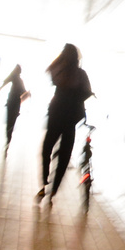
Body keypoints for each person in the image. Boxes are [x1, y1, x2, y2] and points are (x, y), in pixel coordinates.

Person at [38, 44, 92, 203]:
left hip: (56, 115)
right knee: (64, 154)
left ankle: (45, 181)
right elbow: (87, 91)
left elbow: (50, 71)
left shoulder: (60, 69)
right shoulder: (80, 74)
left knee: (47, 148)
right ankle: (53, 189)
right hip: (71, 118)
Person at [0, 65, 30, 151]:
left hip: (11, 102)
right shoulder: (19, 80)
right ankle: (8, 139)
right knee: (12, 122)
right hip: (16, 104)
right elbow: (23, 91)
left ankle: (8, 138)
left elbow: (4, 83)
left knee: (9, 122)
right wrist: (28, 93)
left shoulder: (13, 77)